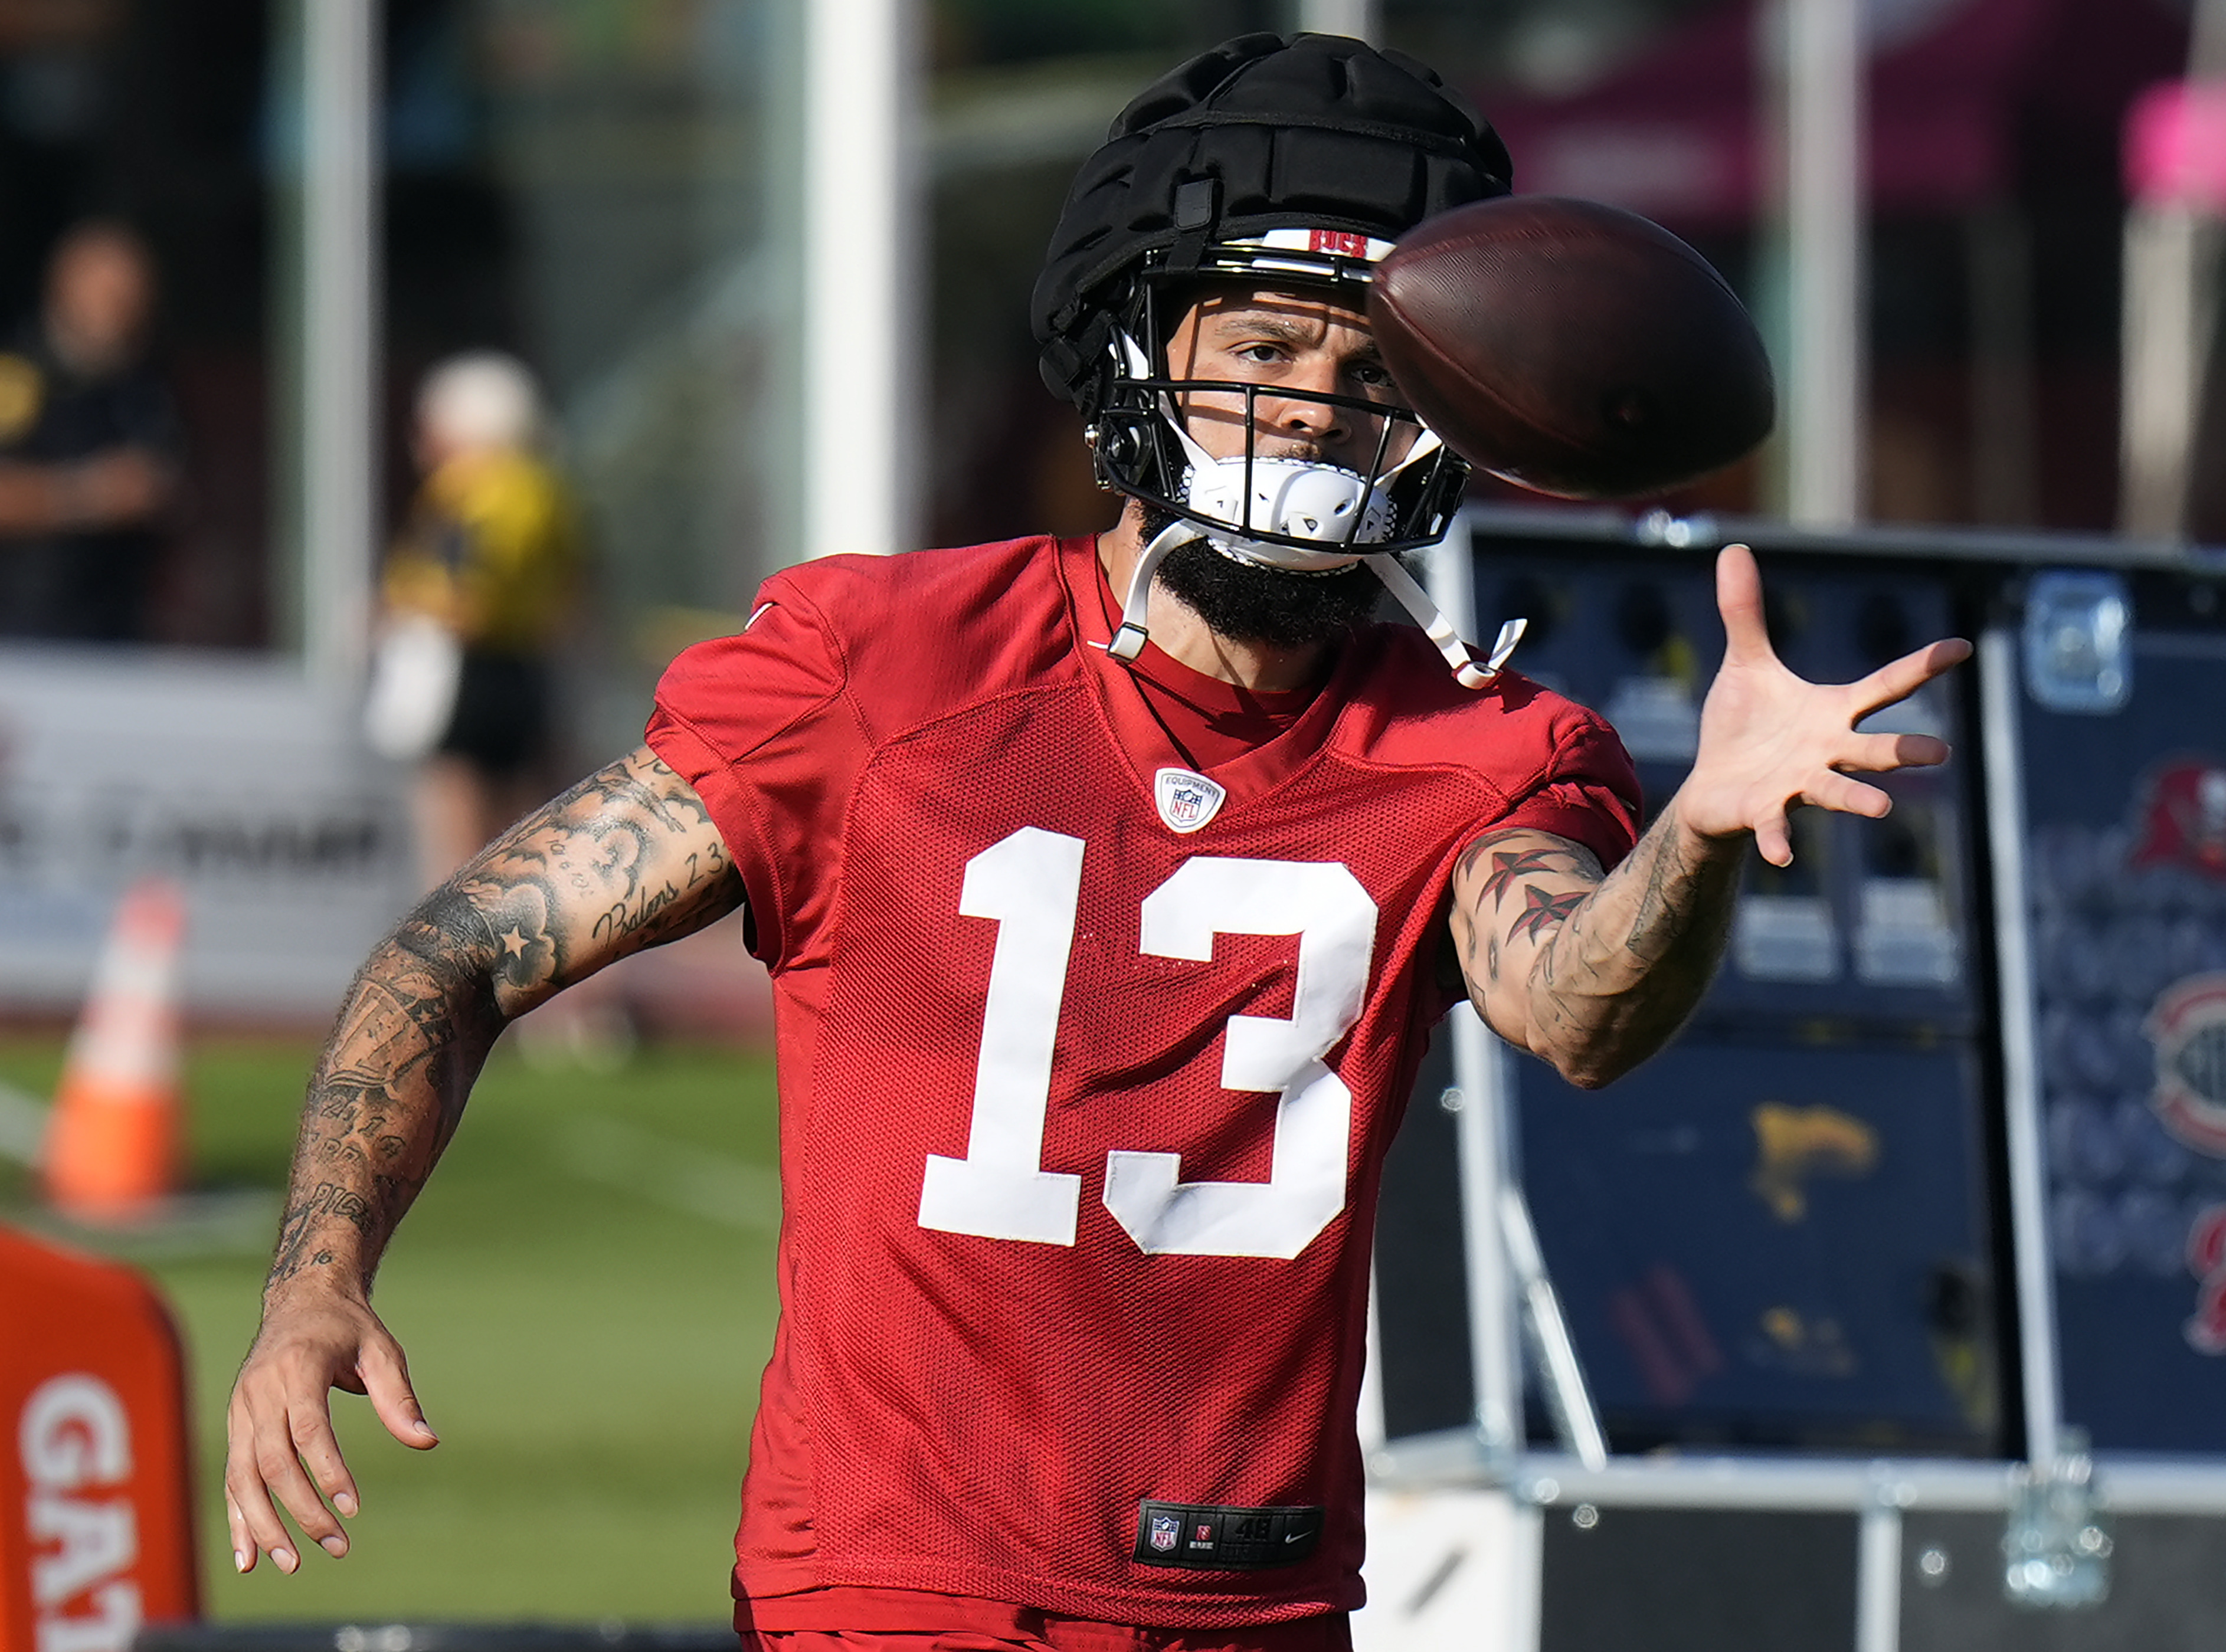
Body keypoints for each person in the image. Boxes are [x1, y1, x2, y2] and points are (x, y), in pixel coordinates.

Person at [224, 34, 1969, 1651]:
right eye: (1265, 348)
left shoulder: (1487, 745)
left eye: (1369, 370)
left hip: (1258, 1601)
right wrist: (316, 1282)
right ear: (1139, 350)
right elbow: (458, 951)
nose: (1310, 409)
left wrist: (1704, 830)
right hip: (899, 1588)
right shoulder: (883, 666)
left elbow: (1580, 1000)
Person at [373, 350, 581, 886]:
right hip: (524, 665)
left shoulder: (469, 489)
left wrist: (396, 608)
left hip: (464, 675)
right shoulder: (545, 490)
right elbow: (572, 590)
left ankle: (455, 958)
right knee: (526, 834)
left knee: (454, 838)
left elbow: (462, 593)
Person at [0, 219, 179, 642]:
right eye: (108, 294)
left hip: (114, 635)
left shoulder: (146, 387)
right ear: (66, 287)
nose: (121, 308)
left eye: (131, 296)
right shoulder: (17, 374)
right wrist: (89, 495)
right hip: (23, 635)